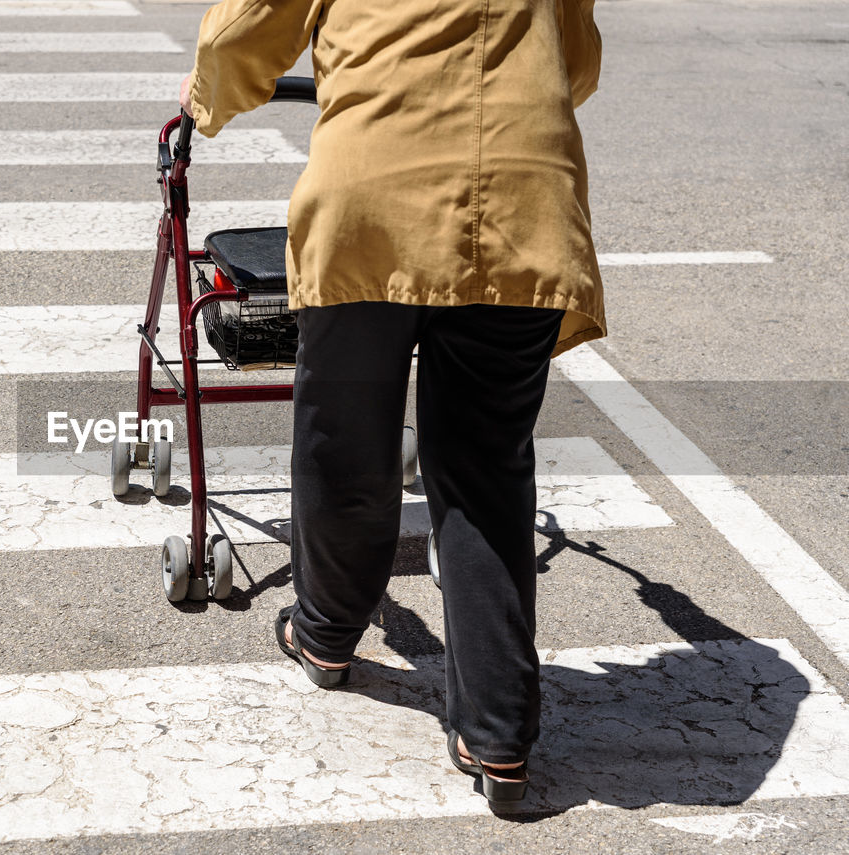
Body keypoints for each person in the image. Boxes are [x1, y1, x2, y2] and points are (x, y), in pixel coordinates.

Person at [180, 0, 604, 808]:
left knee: (344, 438)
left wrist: (207, 104)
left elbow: (242, 31)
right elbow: (574, 60)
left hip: (373, 202)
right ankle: (498, 735)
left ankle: (327, 633)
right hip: (523, 202)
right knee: (486, 471)